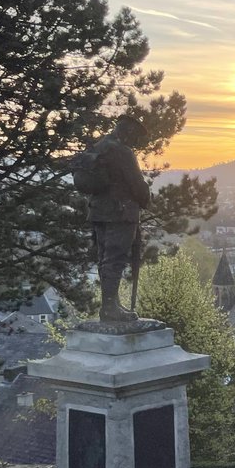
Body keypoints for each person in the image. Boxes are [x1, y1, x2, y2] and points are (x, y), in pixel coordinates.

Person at [88, 115, 151, 322]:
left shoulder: (99, 147)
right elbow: (137, 184)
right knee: (114, 259)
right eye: (135, 136)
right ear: (128, 132)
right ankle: (109, 308)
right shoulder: (122, 152)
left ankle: (111, 304)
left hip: (98, 212)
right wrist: (145, 198)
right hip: (120, 213)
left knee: (105, 258)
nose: (135, 142)